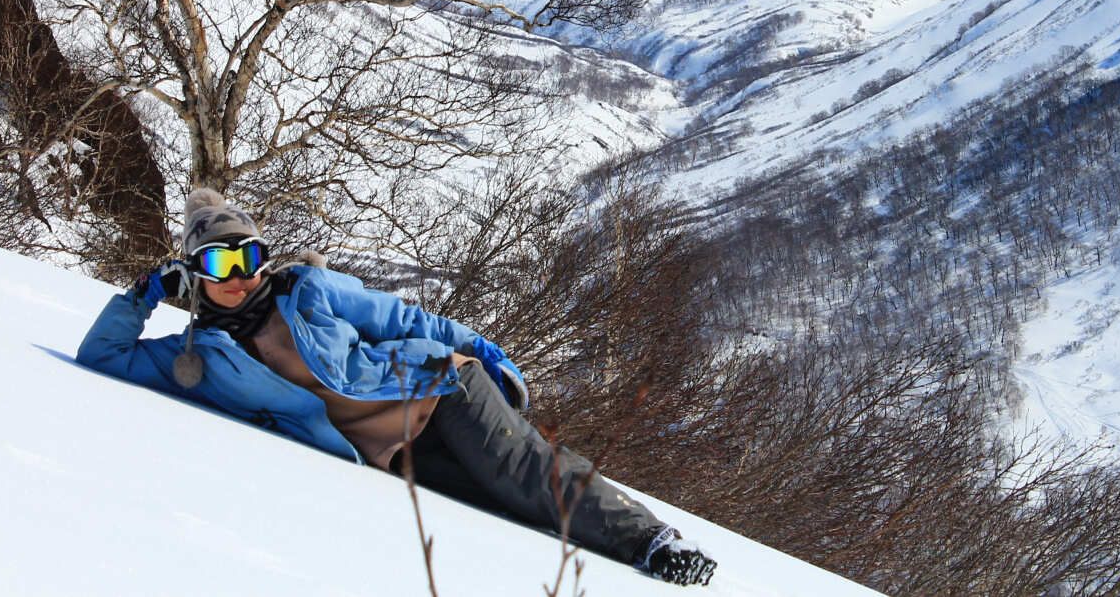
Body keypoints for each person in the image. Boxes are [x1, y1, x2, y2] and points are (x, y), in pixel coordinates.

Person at [78, 188, 718, 587]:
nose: (240, 275)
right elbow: (101, 354)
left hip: (436, 391)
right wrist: (144, 292)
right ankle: (623, 532)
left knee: (520, 470)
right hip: (386, 454)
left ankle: (651, 541)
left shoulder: (308, 291)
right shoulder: (200, 356)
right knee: (508, 506)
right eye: (220, 262)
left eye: (250, 255)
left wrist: (484, 352)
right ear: (192, 272)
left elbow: (406, 319)